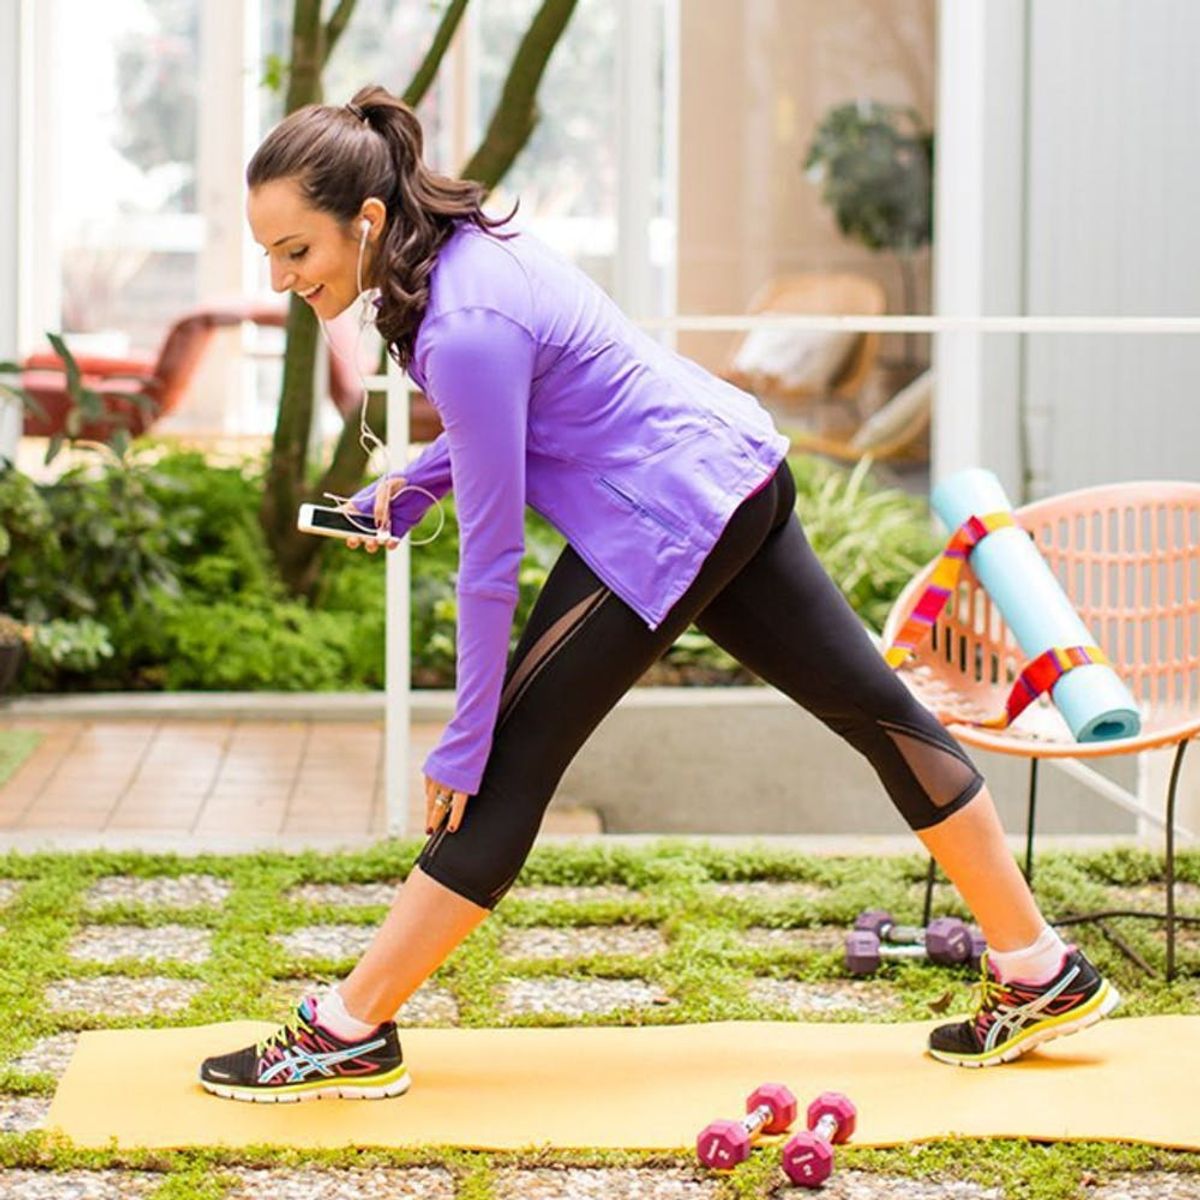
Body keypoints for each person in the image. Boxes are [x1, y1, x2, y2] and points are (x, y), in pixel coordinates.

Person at [200, 84, 1119, 1103]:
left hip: (665, 516)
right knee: (880, 711)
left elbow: (493, 561)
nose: (284, 278)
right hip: (736, 475)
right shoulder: (463, 249)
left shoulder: (460, 320)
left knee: (500, 770)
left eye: (296, 252)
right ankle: (1039, 966)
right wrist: (412, 488)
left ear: (365, 221)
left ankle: (348, 1031)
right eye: (271, 257)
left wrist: (463, 734)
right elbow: (527, 412)